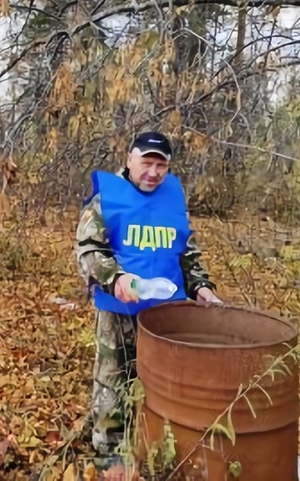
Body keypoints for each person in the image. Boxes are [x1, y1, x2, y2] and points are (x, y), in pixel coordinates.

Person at [75, 131, 221, 456]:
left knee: (163, 386)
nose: (153, 172)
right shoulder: (107, 197)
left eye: (161, 165)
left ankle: (155, 447)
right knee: (113, 385)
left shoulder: (172, 197)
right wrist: (116, 279)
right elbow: (88, 250)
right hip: (119, 312)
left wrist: (201, 287)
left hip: (166, 317)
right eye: (147, 163)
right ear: (130, 159)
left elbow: (186, 250)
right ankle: (109, 457)